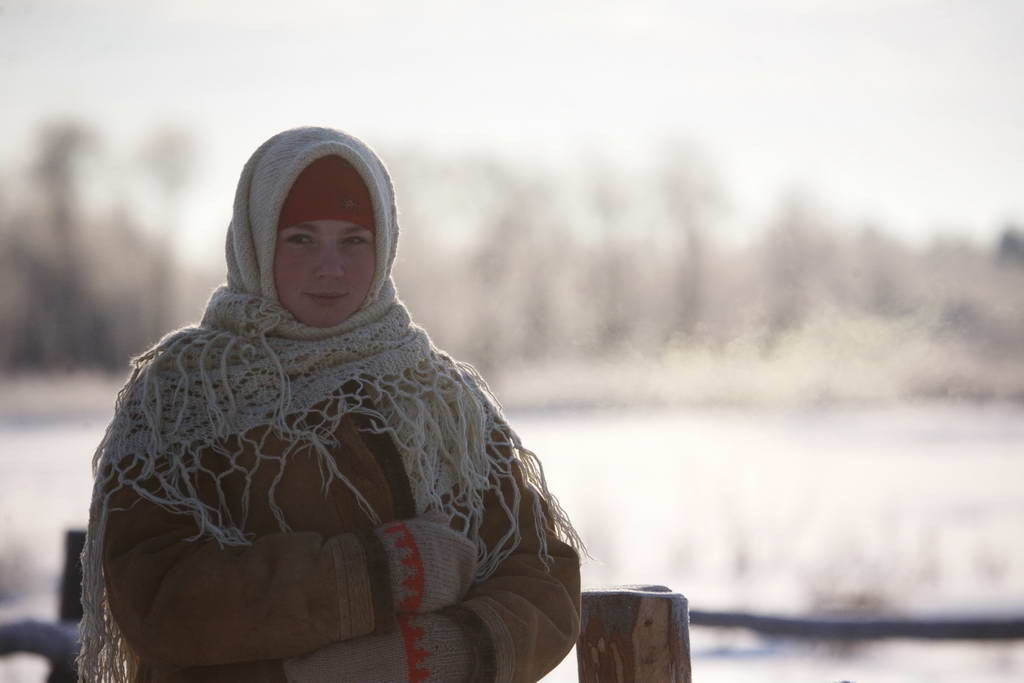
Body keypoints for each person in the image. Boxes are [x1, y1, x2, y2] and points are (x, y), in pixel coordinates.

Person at [79, 127, 583, 683]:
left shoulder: (441, 397)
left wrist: (439, 654)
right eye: (300, 239)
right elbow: (158, 597)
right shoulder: (186, 394)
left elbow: (544, 579)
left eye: (353, 241)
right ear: (256, 241)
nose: (330, 268)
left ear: (386, 246)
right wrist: (379, 573)